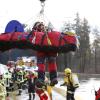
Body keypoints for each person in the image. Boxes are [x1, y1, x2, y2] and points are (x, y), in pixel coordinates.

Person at [29, 22, 58, 87]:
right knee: (41, 64)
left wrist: (49, 30)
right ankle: (41, 79)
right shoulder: (35, 32)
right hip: (41, 49)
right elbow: (32, 36)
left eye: (42, 25)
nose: (41, 26)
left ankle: (53, 78)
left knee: (52, 61)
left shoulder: (47, 30)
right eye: (40, 25)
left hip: (49, 48)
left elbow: (53, 36)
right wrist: (35, 28)